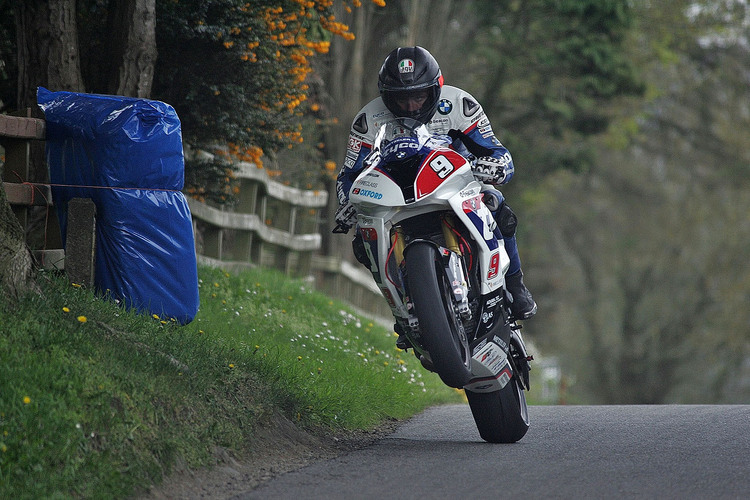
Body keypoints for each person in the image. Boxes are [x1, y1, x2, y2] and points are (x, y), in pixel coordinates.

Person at [334, 46, 536, 347]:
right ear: (386, 96)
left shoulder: (460, 104)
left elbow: (497, 151)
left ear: (435, 90)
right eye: (401, 98)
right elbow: (349, 173)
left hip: (456, 183)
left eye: (419, 96)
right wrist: (348, 200)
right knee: (363, 241)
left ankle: (515, 285)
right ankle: (402, 310)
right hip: (394, 196)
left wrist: (495, 167)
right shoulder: (368, 119)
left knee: (496, 204)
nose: (411, 106)